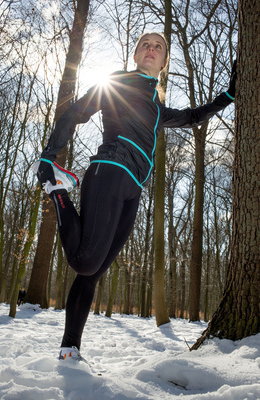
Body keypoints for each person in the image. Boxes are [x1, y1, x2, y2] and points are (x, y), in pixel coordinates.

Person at [34, 32, 236, 361]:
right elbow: (75, 112)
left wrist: (229, 93)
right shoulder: (118, 82)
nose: (151, 49)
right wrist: (49, 156)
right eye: (145, 44)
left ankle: (70, 350)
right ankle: (58, 190)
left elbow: (193, 117)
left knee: (92, 273)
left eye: (158, 46)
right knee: (83, 261)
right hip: (109, 171)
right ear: (135, 55)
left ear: (164, 61)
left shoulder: (157, 108)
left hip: (133, 191)